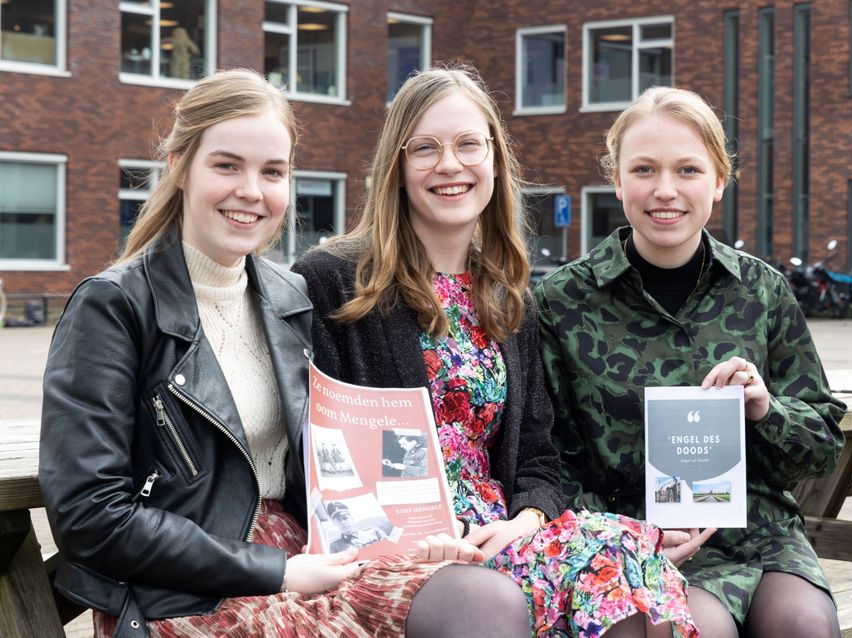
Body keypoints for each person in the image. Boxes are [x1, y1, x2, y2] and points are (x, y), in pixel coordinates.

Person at [39, 68, 531, 638]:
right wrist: (279, 570)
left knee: (481, 599)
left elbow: (337, 459)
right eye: (227, 165)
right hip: (187, 586)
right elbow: (89, 518)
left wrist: (410, 532)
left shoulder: (289, 298)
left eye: (272, 171)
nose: (251, 190)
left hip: (315, 551)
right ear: (178, 168)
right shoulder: (114, 307)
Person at [293, 64, 701, 637]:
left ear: (493, 160)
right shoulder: (335, 281)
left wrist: (528, 519)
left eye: (468, 145)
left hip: (499, 534)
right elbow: (311, 453)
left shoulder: (508, 297)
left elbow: (538, 455)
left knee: (621, 562)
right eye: (427, 148)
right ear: (397, 166)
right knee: (617, 562)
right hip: (394, 548)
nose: (450, 165)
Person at [534, 86, 847, 638]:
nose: (665, 191)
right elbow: (550, 462)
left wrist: (765, 409)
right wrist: (633, 533)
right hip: (631, 540)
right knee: (698, 630)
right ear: (617, 180)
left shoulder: (761, 290)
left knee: (805, 626)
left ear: (719, 181)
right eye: (644, 169)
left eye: (688, 170)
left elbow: (823, 445)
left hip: (761, 533)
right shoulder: (562, 301)